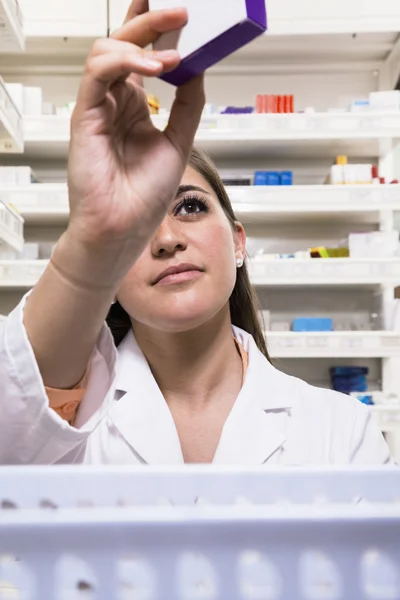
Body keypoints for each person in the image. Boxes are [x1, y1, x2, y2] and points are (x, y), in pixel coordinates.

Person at [0, 1, 392, 466]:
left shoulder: (343, 432)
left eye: (190, 206)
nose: (165, 238)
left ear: (239, 241)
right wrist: (94, 241)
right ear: (111, 275)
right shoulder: (67, 428)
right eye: (140, 228)